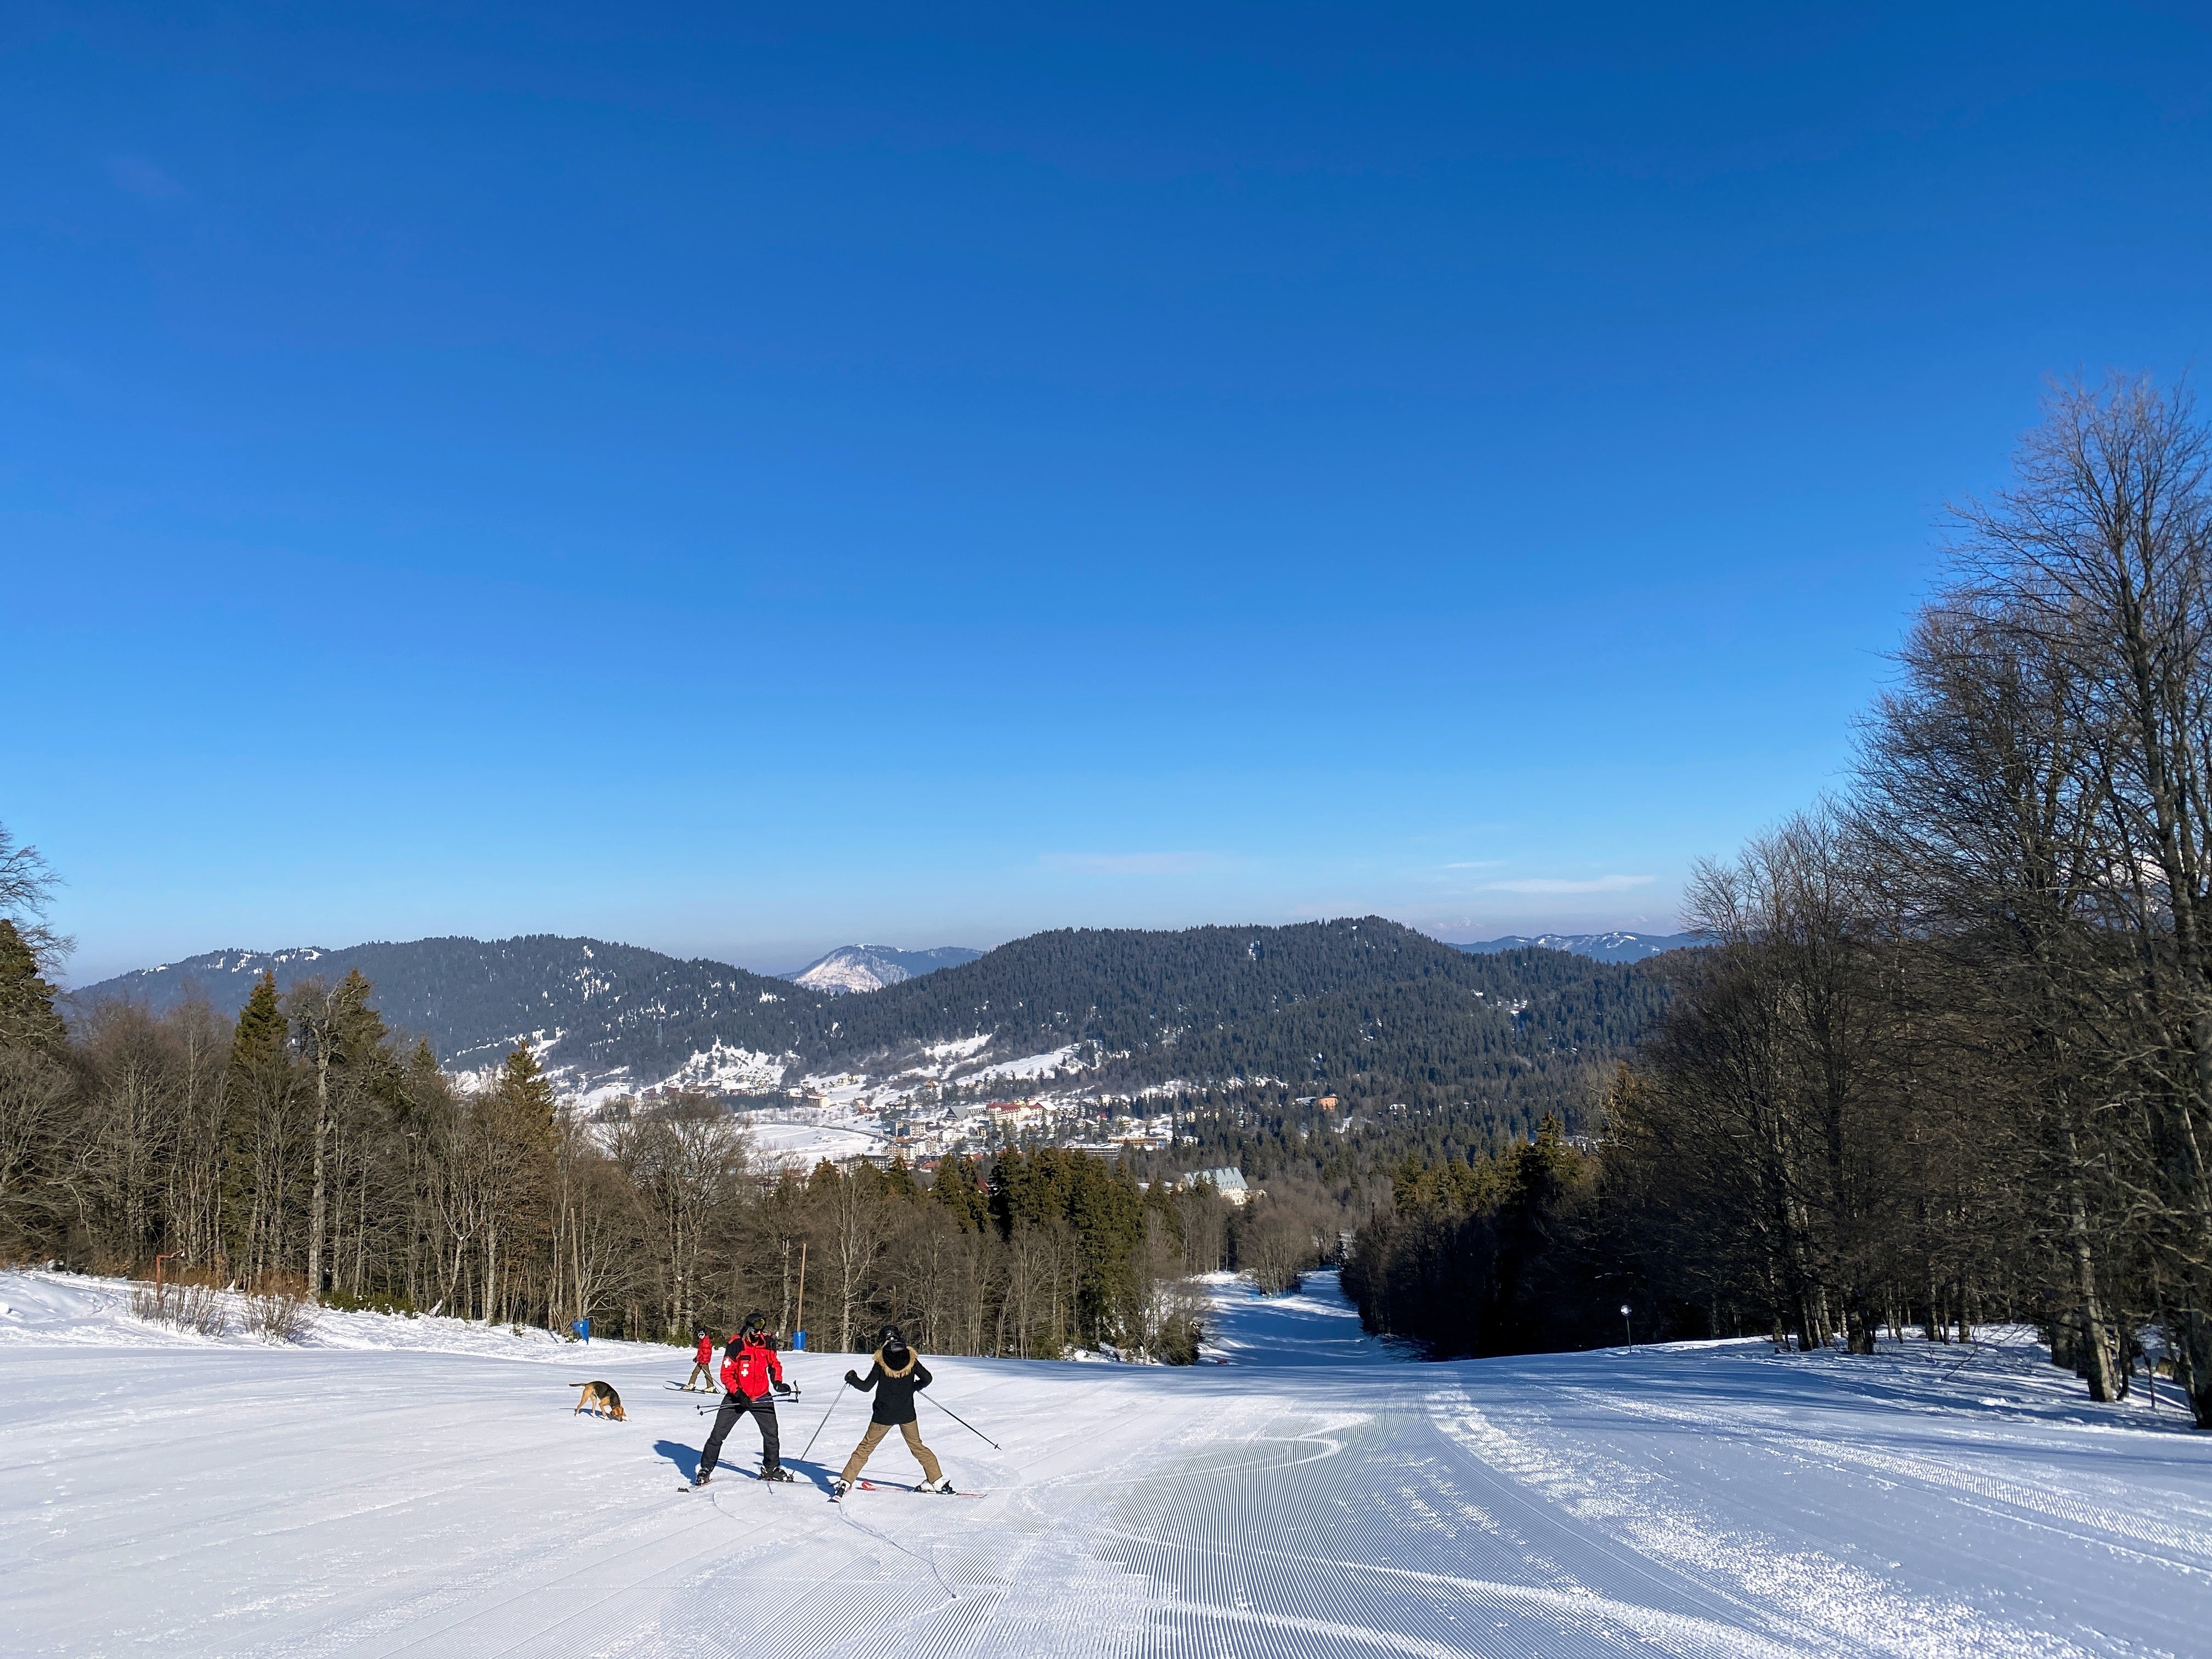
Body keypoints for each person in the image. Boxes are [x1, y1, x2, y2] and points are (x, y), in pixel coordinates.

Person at [833, 1323, 951, 1497]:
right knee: (918, 1447)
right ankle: (937, 1482)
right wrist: (913, 1387)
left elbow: (866, 1387)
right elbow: (928, 1378)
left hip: (883, 1415)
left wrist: (852, 1379)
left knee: (865, 1448)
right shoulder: (910, 1357)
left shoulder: (881, 1360)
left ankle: (846, 1482)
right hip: (907, 1414)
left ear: (883, 1340)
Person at [695, 1313, 796, 1487]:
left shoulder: (768, 1343)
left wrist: (777, 1382)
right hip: (737, 1397)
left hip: (762, 1395)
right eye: (756, 1330)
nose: (759, 1334)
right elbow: (726, 1374)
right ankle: (706, 1469)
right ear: (748, 1329)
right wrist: (738, 1394)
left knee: (772, 1435)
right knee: (718, 1434)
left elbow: (774, 1365)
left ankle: (771, 1467)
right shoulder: (736, 1344)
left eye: (761, 1330)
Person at [685, 1327, 715, 1391]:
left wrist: (702, 1361)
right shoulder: (703, 1341)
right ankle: (710, 1386)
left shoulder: (706, 1342)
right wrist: (697, 1358)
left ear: (705, 1334)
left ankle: (691, 1385)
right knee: (703, 1373)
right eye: (699, 1335)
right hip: (702, 1361)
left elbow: (706, 1353)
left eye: (702, 1335)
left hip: (703, 1361)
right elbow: (701, 1352)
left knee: (697, 1372)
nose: (701, 1336)